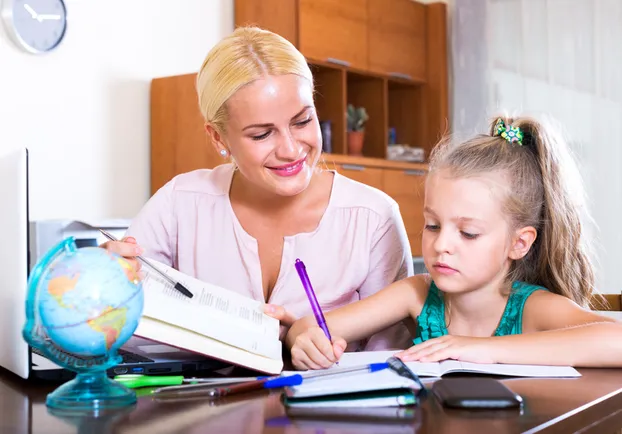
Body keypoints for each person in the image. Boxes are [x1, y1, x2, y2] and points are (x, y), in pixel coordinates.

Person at [102, 26, 414, 350]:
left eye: (302, 121)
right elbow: (119, 334)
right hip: (203, 399)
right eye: (262, 135)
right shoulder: (179, 203)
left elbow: (391, 360)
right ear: (218, 138)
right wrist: (100, 284)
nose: (292, 150)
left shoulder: (374, 217)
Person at [285, 115, 622, 370]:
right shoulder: (417, 293)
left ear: (519, 243)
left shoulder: (533, 307)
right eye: (433, 225)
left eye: (468, 233)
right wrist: (304, 340)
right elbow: (309, 326)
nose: (441, 244)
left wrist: (478, 349)